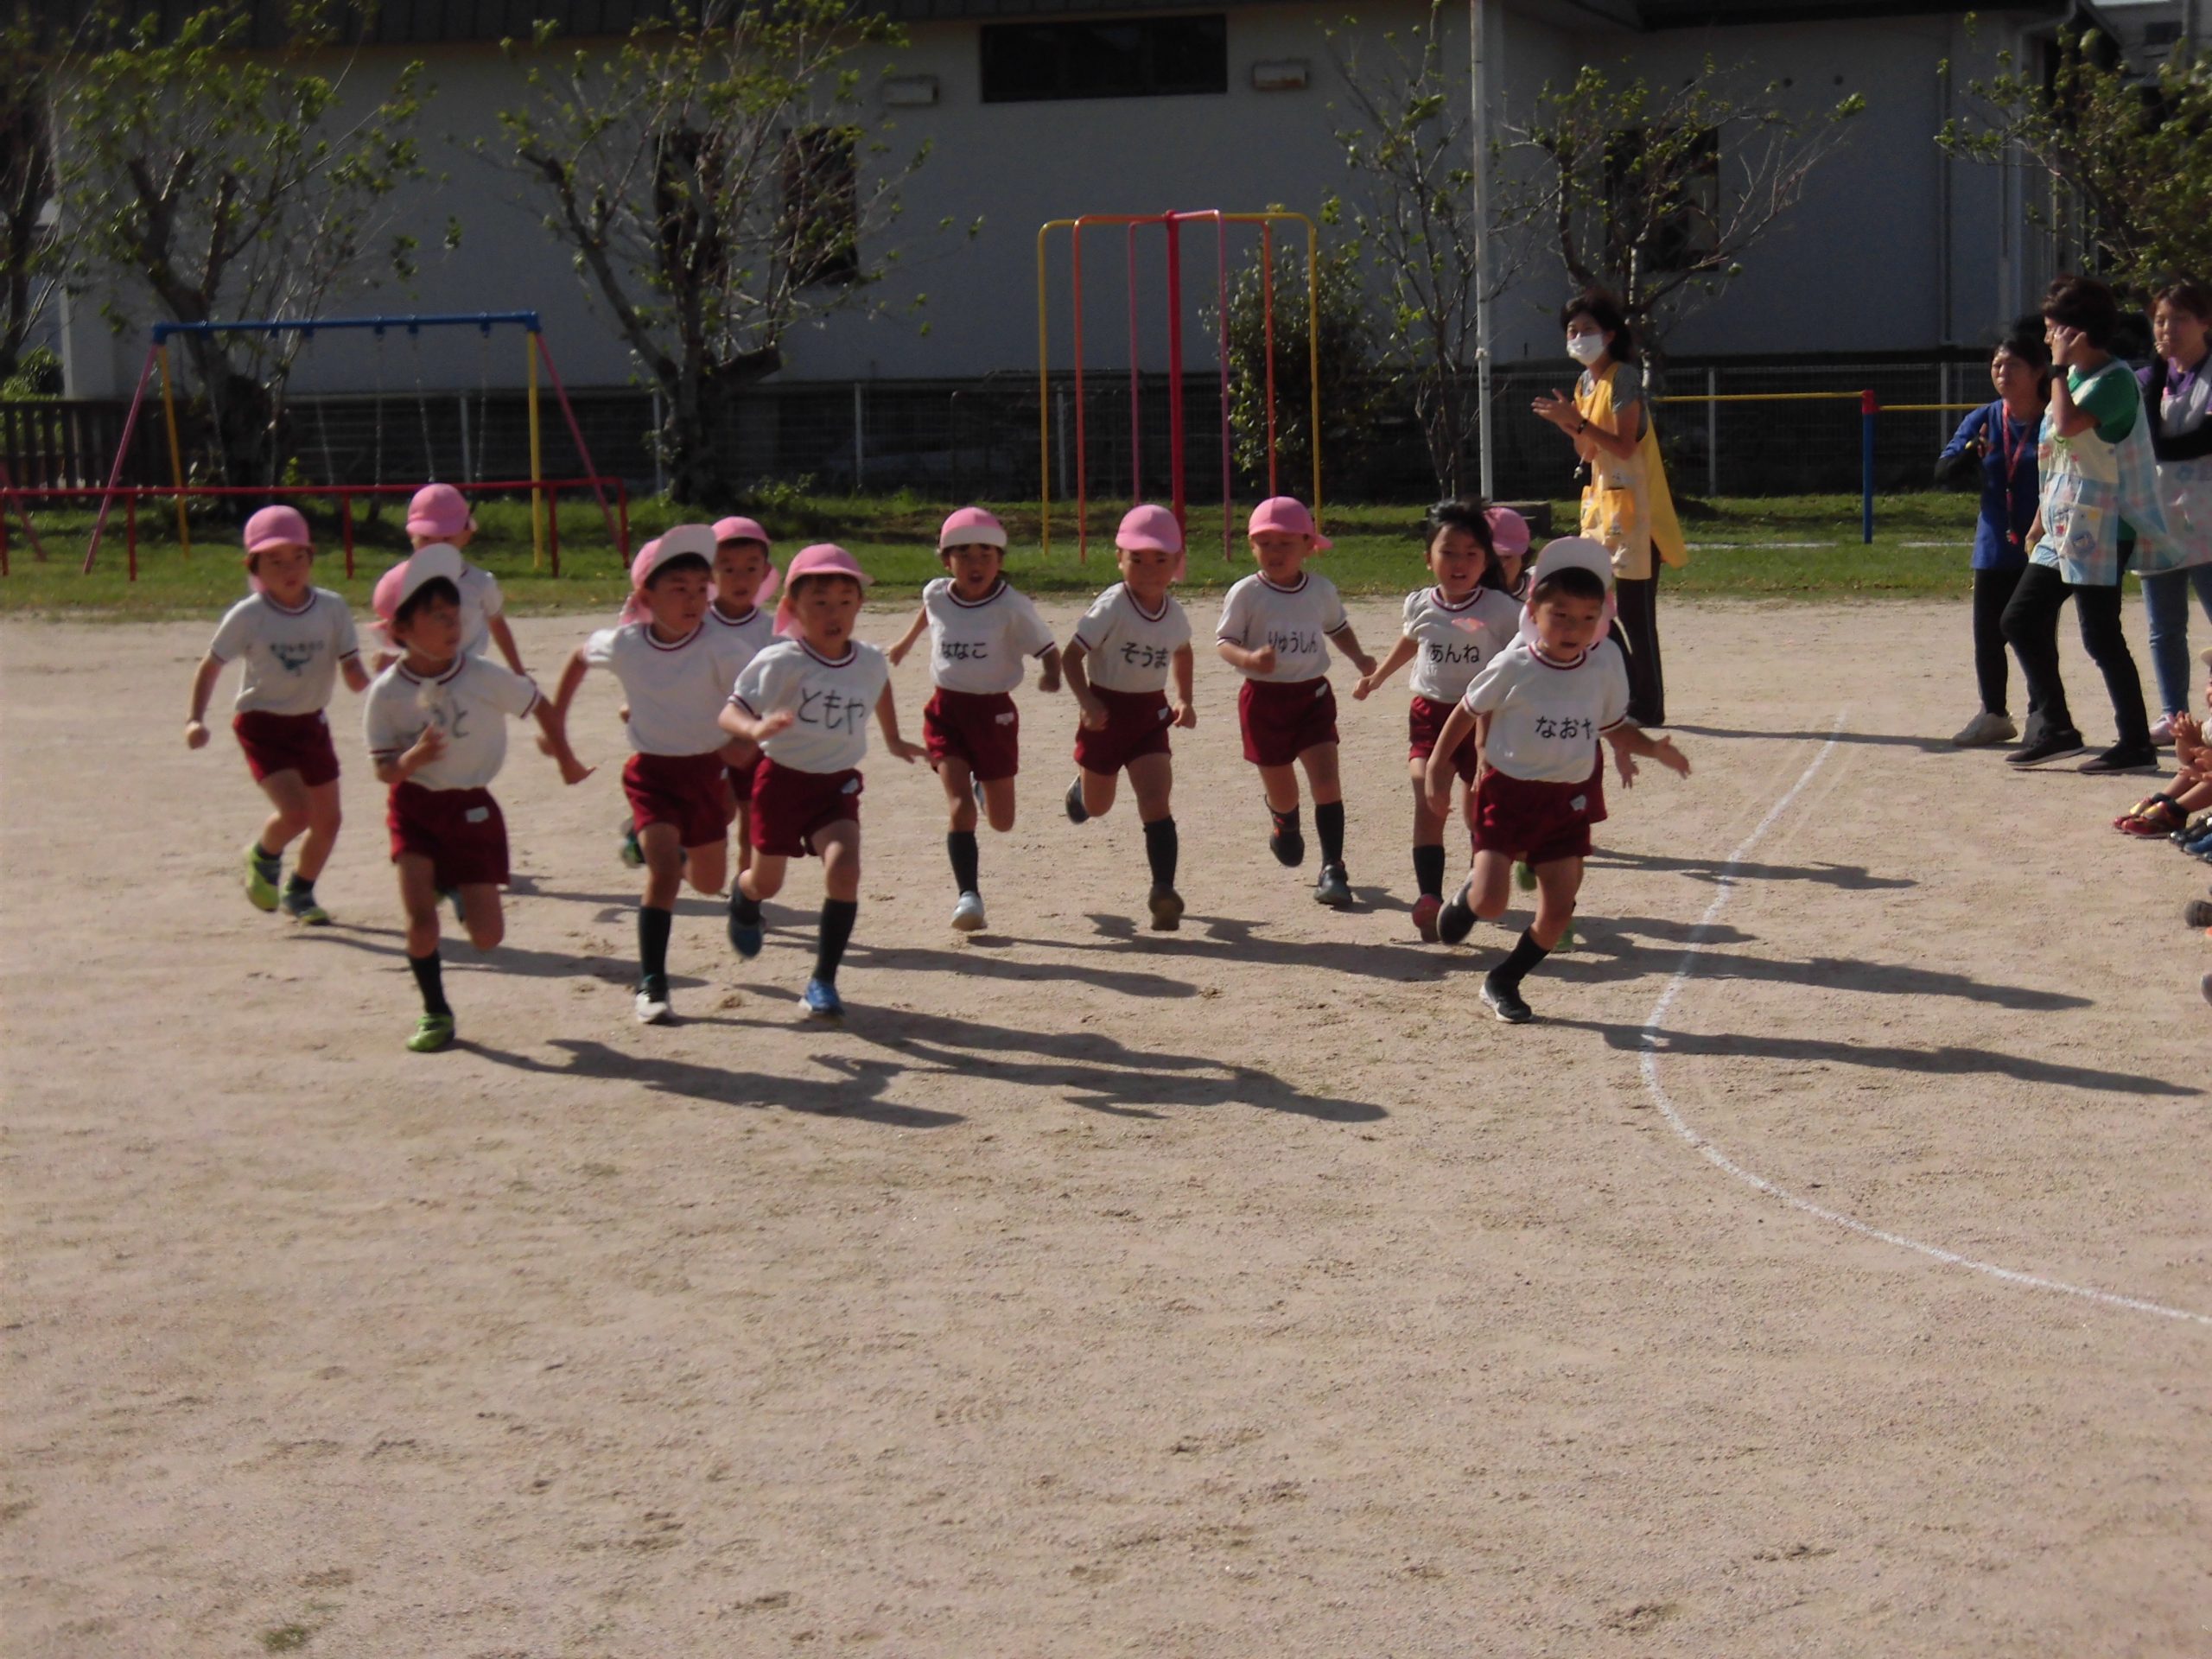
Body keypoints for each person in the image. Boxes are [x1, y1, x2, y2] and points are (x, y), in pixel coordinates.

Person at [1425, 538, 1691, 1024]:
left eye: (1588, 618)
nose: (1574, 628)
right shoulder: (1515, 664)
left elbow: (1613, 727)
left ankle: (1504, 979)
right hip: (1509, 794)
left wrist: (1653, 749)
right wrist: (1439, 767)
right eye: (1561, 616)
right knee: (1491, 902)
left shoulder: (1603, 666)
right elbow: (1467, 710)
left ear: (1602, 620)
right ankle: (1468, 897)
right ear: (1533, 612)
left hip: (1566, 802)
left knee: (1557, 913)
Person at [362, 544, 590, 1053]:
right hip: (415, 808)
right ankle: (435, 1011)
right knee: (422, 923)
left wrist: (566, 759)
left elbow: (540, 705)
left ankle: (457, 888)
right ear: (401, 630)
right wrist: (413, 759)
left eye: (455, 614)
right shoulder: (387, 693)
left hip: (472, 809)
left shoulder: (482, 675)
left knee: (488, 937)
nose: (454, 625)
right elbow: (383, 770)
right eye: (437, 617)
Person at [553, 526, 760, 1026]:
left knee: (708, 882)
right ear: (646, 598)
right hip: (651, 774)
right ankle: (653, 984)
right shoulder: (626, 644)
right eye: (678, 589)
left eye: (700, 589)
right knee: (664, 873)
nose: (693, 600)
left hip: (706, 772)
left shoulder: (722, 647)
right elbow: (579, 657)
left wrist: (747, 741)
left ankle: (642, 840)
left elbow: (760, 694)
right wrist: (556, 726)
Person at [720, 544, 925, 1020]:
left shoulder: (867, 659)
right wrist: (754, 728)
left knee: (845, 867)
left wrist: (893, 738)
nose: (834, 613)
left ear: (860, 604)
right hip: (781, 783)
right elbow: (730, 712)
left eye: (844, 602)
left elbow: (879, 683)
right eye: (820, 603)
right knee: (766, 882)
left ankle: (823, 981)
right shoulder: (781, 661)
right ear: (792, 608)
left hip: (836, 786)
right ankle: (744, 898)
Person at [2001, 273, 2180, 772]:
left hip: (2102, 524)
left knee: (2101, 635)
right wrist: (2039, 518)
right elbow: (2059, 456)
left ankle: (2135, 744)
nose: (2047, 338)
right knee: (2019, 619)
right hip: (2063, 519)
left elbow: (2067, 425)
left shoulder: (2114, 380)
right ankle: (2058, 728)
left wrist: (2058, 370)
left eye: (2053, 329)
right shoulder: (2074, 378)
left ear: (2076, 332)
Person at [183, 505, 370, 923]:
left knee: (329, 820)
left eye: (299, 557)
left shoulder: (332, 608)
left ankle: (300, 891)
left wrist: (374, 680)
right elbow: (211, 665)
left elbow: (353, 669)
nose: (290, 569)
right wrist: (195, 718)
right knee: (298, 812)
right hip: (262, 725)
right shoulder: (250, 615)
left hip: (310, 724)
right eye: (275, 561)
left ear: (311, 557)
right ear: (254, 566)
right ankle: (262, 854)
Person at [1351, 498, 1522, 941]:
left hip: (1484, 717)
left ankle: (1475, 886)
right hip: (1431, 713)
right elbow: (1412, 640)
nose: (1459, 563)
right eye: (1448, 552)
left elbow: (1522, 658)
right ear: (1429, 558)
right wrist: (1377, 676)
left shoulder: (1501, 610)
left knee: (1477, 808)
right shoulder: (1420, 604)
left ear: (1486, 560)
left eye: (1471, 553)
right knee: (1428, 799)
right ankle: (1429, 896)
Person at [886, 506, 1061, 932]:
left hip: (994, 714)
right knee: (959, 806)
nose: (975, 563)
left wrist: (1052, 674)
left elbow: (1047, 648)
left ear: (1000, 560)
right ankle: (969, 897)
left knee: (1002, 821)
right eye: (962, 554)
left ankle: (985, 787)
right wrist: (906, 642)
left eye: (985, 554)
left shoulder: (1011, 606)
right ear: (946, 561)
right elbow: (929, 609)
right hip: (946, 712)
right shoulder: (936, 593)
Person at [1531, 289, 1685, 728]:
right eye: (1572, 331)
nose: (1578, 337)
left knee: (1636, 616)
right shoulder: (1584, 384)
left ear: (1610, 334)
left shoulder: (1623, 378)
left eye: (1587, 329)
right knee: (1595, 607)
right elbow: (1588, 450)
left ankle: (1649, 706)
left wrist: (1577, 421)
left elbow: (1623, 444)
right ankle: (1631, 691)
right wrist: (1569, 424)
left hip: (1637, 515)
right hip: (1603, 514)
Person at [1215, 496, 1377, 907]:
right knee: (1285, 793)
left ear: (1308, 545)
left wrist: (1359, 657)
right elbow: (1225, 642)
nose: (1275, 552)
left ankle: (1333, 868)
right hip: (1264, 702)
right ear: (1252, 547)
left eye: (1286, 543)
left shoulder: (1320, 590)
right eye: (1264, 543)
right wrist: (1249, 659)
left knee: (1327, 782)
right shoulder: (1246, 593)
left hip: (1312, 697)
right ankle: (1284, 822)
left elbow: (1337, 627)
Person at [1061, 505, 1198, 931]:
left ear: (1177, 562)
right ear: (1119, 558)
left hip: (1149, 715)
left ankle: (1163, 891)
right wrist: (1086, 701)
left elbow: (1183, 651)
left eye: (1160, 559)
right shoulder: (1112, 606)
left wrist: (1184, 698)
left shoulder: (1173, 613)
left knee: (1156, 799)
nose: (1148, 570)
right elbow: (1071, 656)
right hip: (1105, 713)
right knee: (1098, 807)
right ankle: (1081, 791)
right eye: (1136, 558)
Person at [1935, 321, 2050, 747]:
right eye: (1997, 365)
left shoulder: (2054, 417)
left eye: (2013, 365)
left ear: (2038, 371)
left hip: (2042, 543)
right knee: (1988, 633)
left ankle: (2042, 714)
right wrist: (1970, 455)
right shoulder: (1983, 419)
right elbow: (1942, 472)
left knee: (2035, 632)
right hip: (1994, 544)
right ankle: (1994, 714)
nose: (2002, 373)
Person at [2139, 281, 2212, 744]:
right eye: (2161, 320)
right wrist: (2156, 371)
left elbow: (2197, 440)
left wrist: (2155, 445)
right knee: (2164, 626)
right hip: (2159, 515)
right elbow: (2141, 438)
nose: (2167, 329)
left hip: (2207, 515)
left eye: (2180, 319)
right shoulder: (2149, 379)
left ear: (2205, 322)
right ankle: (2174, 714)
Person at [368, 483, 527, 677]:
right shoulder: (403, 582)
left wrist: (519, 672)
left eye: (446, 539)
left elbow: (497, 624)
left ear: (466, 535)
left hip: (467, 677)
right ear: (411, 536)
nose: (436, 547)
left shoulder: (480, 583)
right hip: (421, 675)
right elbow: (397, 628)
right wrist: (388, 653)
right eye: (426, 538)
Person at [1487, 505, 1533, 602]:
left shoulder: (1538, 591)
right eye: (1493, 557)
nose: (1501, 565)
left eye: (1507, 557)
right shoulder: (1466, 595)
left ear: (1523, 557)